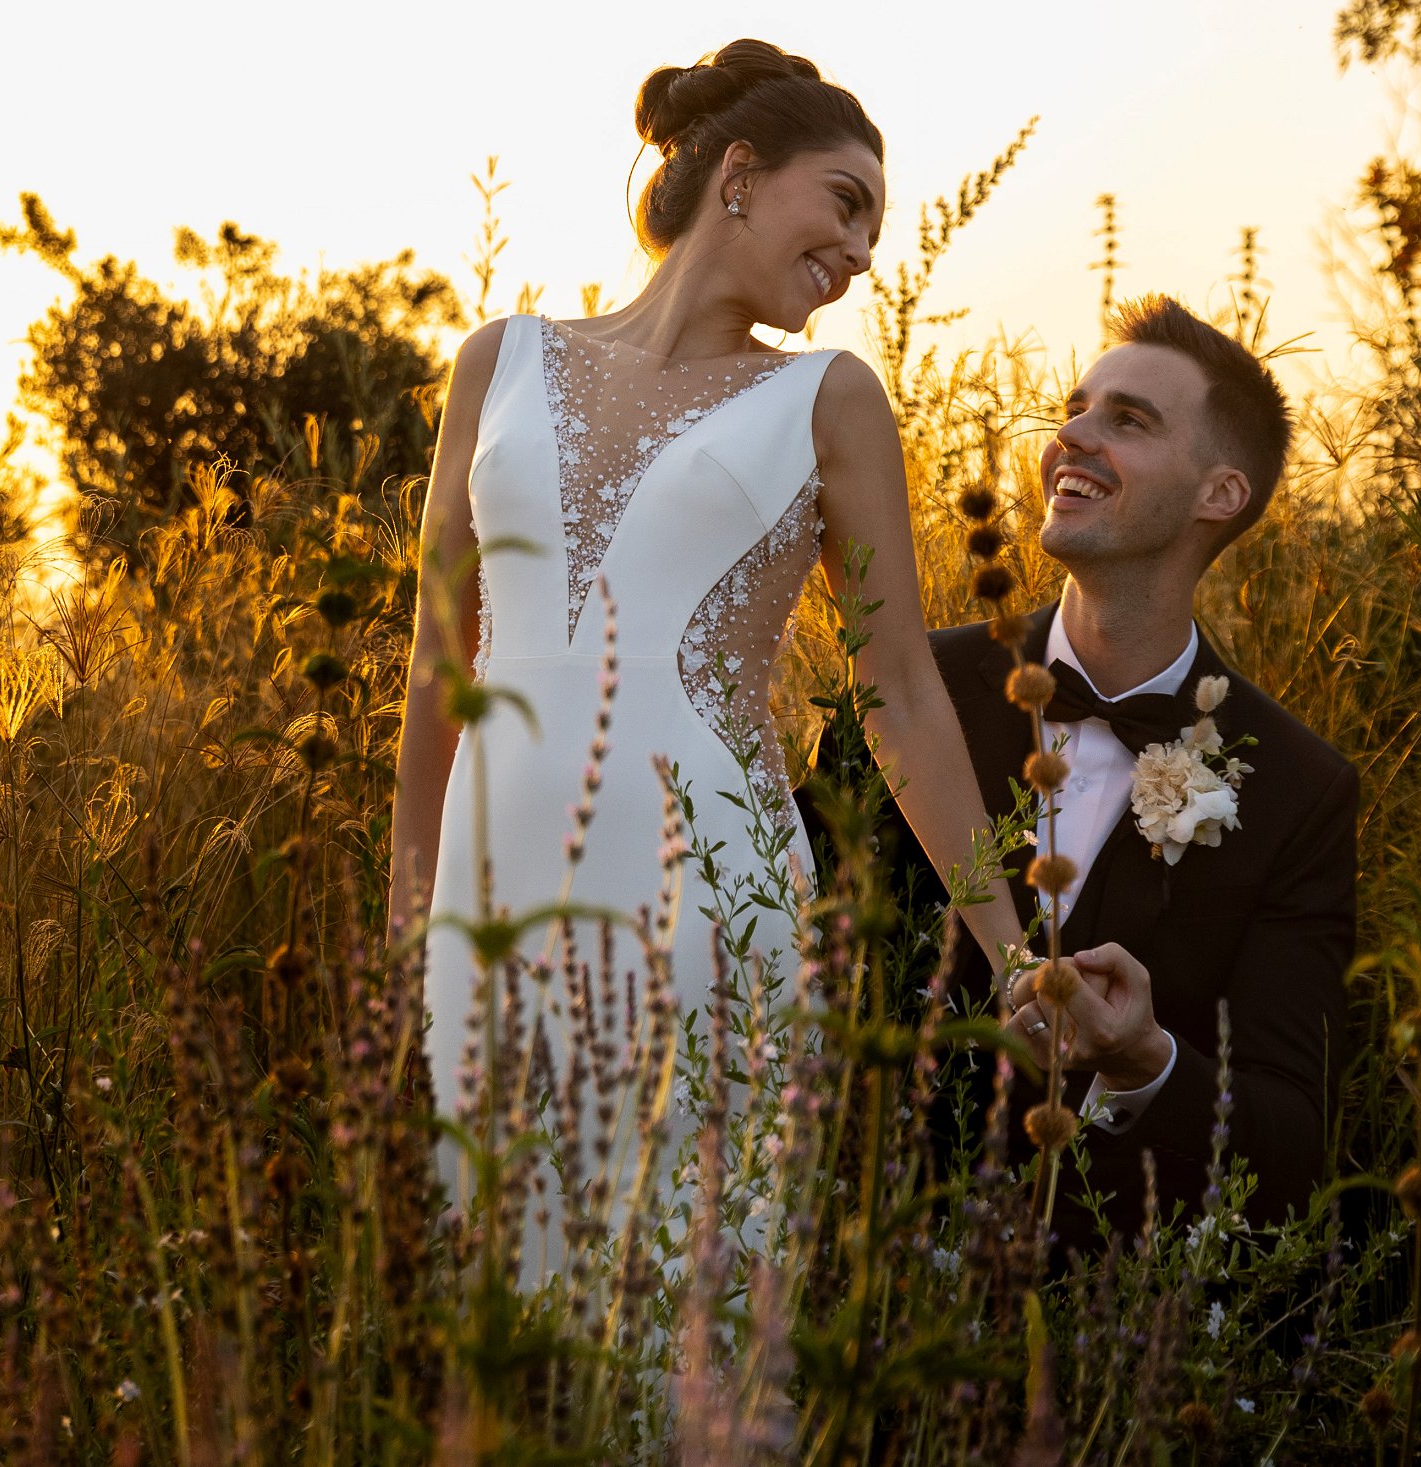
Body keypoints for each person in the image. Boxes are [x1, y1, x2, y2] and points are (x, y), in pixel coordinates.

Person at [387, 39, 1029, 1282]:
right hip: (485, 895)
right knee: (503, 1298)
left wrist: (1014, 951)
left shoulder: (828, 400)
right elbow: (434, 669)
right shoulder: (497, 362)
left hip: (705, 892)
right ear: (739, 172)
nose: (860, 254)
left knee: (681, 1298)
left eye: (875, 231)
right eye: (846, 203)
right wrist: (403, 928)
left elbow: (896, 691)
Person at [801, 295, 1357, 1242]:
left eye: (1127, 421)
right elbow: (787, 946)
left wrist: (1148, 1058)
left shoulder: (1297, 790)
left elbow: (1292, 1140)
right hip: (853, 1264)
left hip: (1099, 1302)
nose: (1071, 435)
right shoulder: (902, 680)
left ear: (1219, 494)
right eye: (1078, 407)